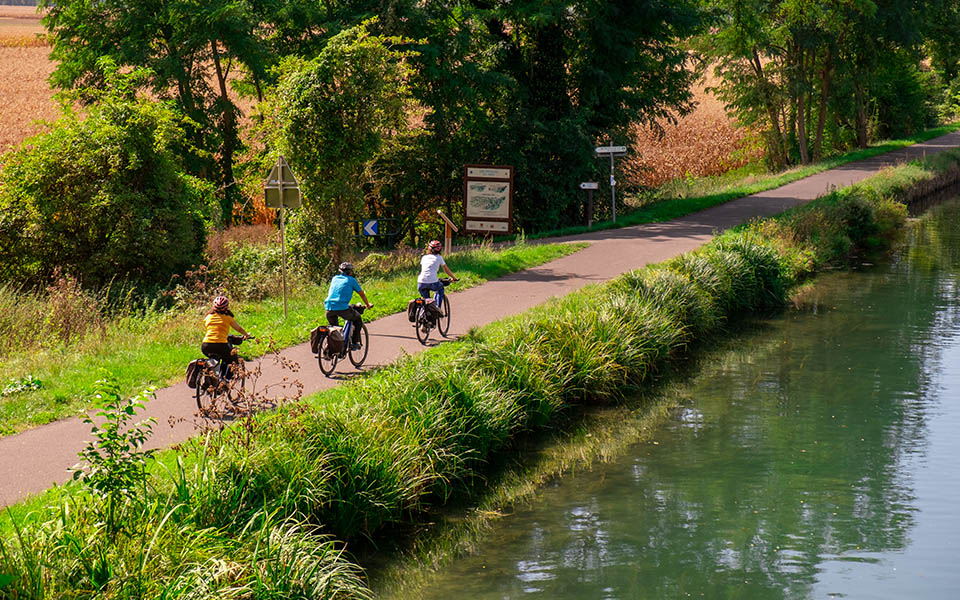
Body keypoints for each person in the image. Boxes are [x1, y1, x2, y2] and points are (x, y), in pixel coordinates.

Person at [324, 262, 373, 350]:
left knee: (335, 330)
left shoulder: (335, 278)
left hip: (329, 307)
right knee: (357, 319)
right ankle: (355, 343)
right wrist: (367, 304)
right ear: (350, 272)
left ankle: (332, 349)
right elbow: (361, 294)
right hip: (342, 308)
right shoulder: (351, 280)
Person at [201, 295, 250, 380]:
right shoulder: (228, 318)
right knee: (233, 361)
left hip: (206, 345)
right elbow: (238, 328)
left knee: (213, 360)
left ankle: (211, 380)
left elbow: (212, 328)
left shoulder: (208, 317)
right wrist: (246, 335)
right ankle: (225, 381)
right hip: (221, 345)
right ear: (226, 307)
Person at [417, 240, 458, 315]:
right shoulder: (439, 258)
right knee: (440, 288)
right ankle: (437, 308)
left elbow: (427, 270)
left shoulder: (424, 257)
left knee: (426, 300)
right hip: (432, 282)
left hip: (420, 282)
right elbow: (446, 270)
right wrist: (454, 278)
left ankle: (423, 319)